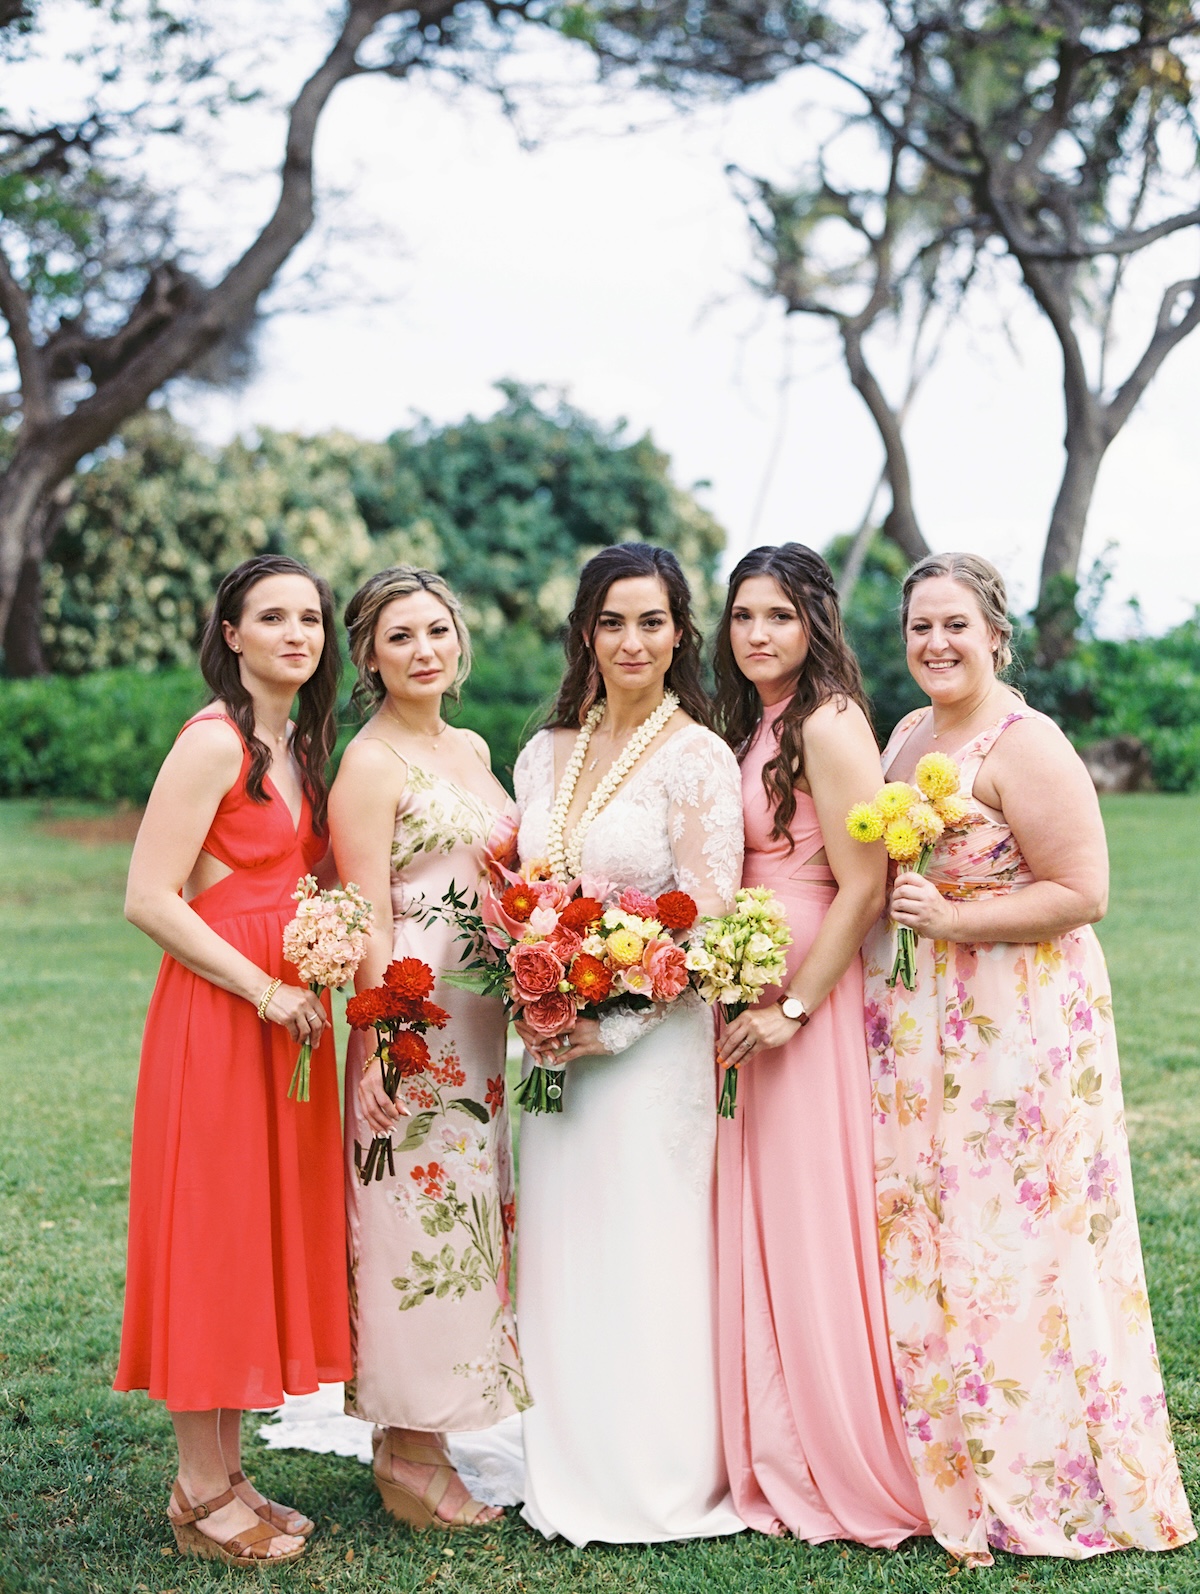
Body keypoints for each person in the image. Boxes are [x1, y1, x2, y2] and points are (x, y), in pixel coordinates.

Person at [866, 551, 1196, 1565]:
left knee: (1023, 1235)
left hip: (1018, 1024)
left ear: (996, 634)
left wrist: (959, 922)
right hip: (923, 1024)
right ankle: (949, 1449)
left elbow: (1083, 891)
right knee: (938, 1225)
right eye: (920, 626)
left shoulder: (1027, 741)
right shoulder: (907, 735)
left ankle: (1047, 1464)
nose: (936, 644)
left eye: (956, 625)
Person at [115, 554, 349, 1568]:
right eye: (274, 616)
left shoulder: (296, 740)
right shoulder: (213, 741)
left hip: (286, 1022)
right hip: (221, 1020)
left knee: (251, 1230)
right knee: (213, 1231)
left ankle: (229, 1470)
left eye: (311, 617)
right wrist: (263, 988)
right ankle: (198, 1487)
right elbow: (149, 895)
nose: (297, 633)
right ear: (234, 632)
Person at [510, 542, 745, 1546]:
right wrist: (542, 999)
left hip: (650, 1051)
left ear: (681, 633)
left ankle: (653, 1467)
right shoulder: (544, 752)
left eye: (651, 621)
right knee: (563, 1241)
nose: (632, 640)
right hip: (552, 1051)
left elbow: (716, 914)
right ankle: (560, 1445)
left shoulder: (698, 757)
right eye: (612, 621)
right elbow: (521, 891)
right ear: (586, 633)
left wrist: (613, 1021)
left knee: (645, 1241)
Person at [711, 543, 928, 1547]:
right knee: (756, 1218)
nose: (759, 634)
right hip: (744, 986)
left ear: (815, 623)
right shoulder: (757, 720)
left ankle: (833, 1450)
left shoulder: (831, 722)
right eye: (744, 615)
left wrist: (791, 1008)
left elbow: (865, 885)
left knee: (805, 1214)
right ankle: (767, 1434)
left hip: (804, 1001)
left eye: (779, 617)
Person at [329, 567, 528, 1531]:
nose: (424, 651)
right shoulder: (368, 764)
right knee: (417, 1221)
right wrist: (376, 1041)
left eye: (438, 631)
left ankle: (422, 1433)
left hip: (478, 1019)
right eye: (401, 636)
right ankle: (411, 1456)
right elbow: (366, 904)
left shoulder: (472, 744)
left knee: (466, 1220)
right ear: (369, 655)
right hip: (414, 1021)